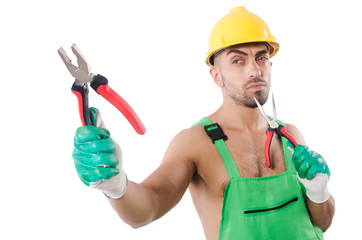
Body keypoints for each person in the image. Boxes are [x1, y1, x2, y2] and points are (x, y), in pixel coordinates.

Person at [72, 6, 335, 239]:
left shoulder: (291, 135)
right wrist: (116, 186)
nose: (255, 70)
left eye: (261, 57)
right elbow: (146, 210)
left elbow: (322, 222)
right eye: (238, 60)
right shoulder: (196, 143)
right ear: (216, 76)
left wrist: (319, 192)